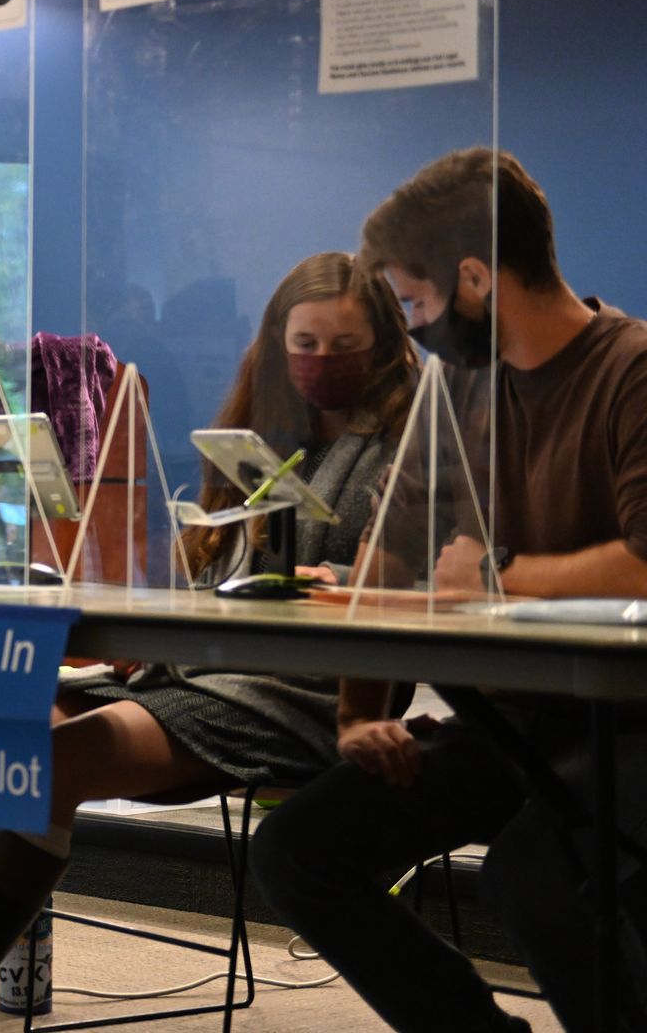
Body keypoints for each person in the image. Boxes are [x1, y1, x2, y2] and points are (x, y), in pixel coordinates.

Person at [0, 251, 420, 1033]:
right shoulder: (261, 429)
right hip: (193, 672)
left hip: (298, 696)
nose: (321, 362)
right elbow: (215, 572)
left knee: (49, 763)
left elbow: (424, 587)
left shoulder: (410, 447)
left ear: (385, 345)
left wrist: (356, 583)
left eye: (343, 345)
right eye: (307, 343)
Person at [253, 148, 647, 1033]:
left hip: (629, 720)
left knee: (534, 878)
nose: (415, 324)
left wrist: (496, 577)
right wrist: (358, 716)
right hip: (522, 724)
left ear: (475, 278)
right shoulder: (462, 387)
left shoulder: (632, 371)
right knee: (299, 849)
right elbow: (394, 562)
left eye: (417, 301)